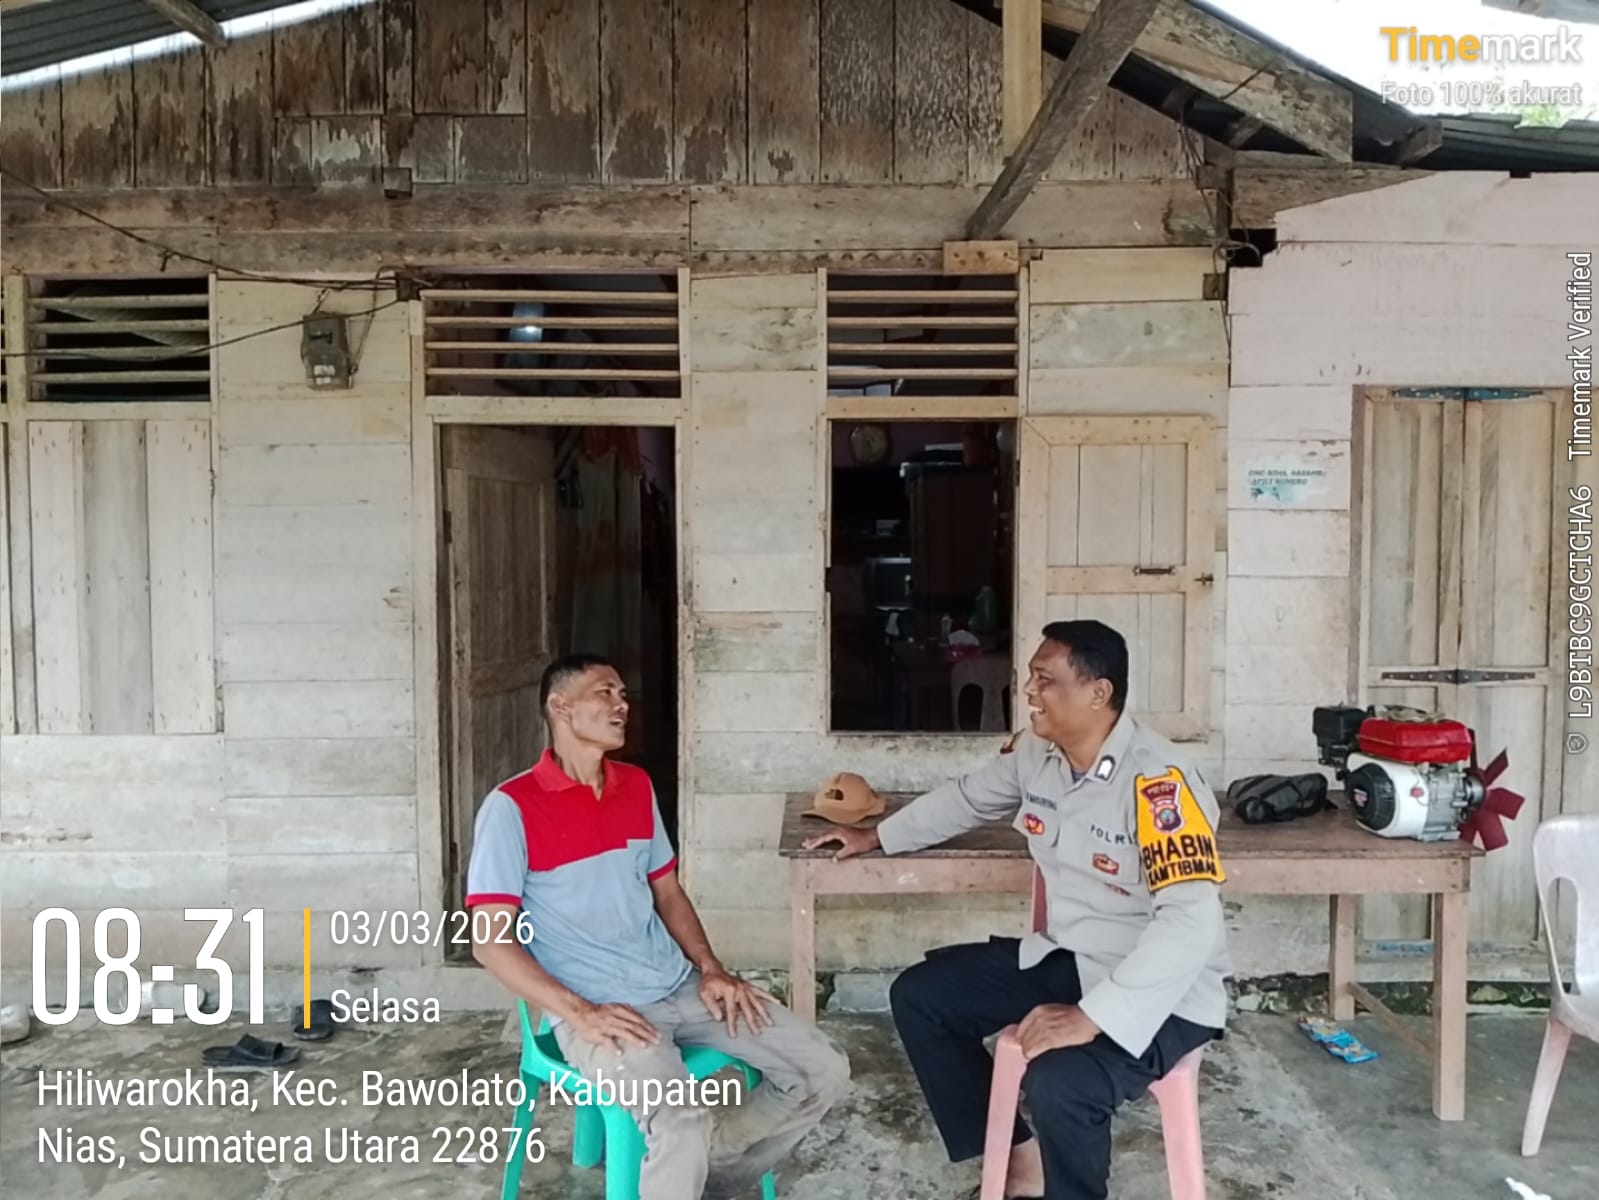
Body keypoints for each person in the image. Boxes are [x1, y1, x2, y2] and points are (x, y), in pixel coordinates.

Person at [804, 620, 1230, 1200]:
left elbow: (1190, 925)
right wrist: (877, 836)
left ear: (1098, 692)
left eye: (1045, 679)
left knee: (1061, 1083)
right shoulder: (1038, 753)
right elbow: (967, 798)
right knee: (923, 998)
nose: (1028, 690)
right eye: (1031, 676)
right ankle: (1020, 1161)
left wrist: (1093, 1017)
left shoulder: (1160, 785)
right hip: (1073, 957)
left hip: (1165, 993)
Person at [468, 652, 851, 1199]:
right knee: (680, 1118)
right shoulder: (511, 807)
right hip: (601, 1009)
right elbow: (489, 943)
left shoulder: (636, 785)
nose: (621, 704)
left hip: (678, 985)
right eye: (604, 692)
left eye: (623, 694)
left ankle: (705, 1175)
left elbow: (667, 891)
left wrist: (711, 968)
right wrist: (580, 1012)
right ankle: (684, 1170)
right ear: (560, 706)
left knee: (823, 1069)